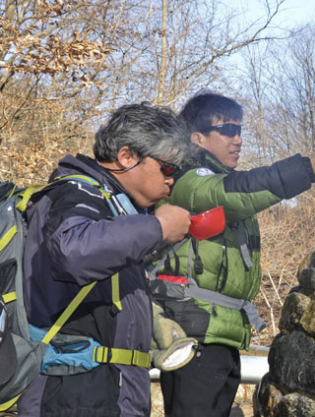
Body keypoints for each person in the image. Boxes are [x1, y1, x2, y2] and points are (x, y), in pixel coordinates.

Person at [154, 91, 315, 417]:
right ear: (197, 137)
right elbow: (235, 194)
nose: (238, 140)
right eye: (228, 130)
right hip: (195, 334)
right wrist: (305, 170)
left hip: (220, 333)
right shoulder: (188, 180)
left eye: (240, 130)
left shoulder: (217, 179)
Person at [18, 103, 193, 417]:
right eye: (168, 168)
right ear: (126, 157)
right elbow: (72, 251)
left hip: (102, 393)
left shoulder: (117, 210)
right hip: (72, 395)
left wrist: (151, 321)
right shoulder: (77, 193)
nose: (173, 180)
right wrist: (158, 228)